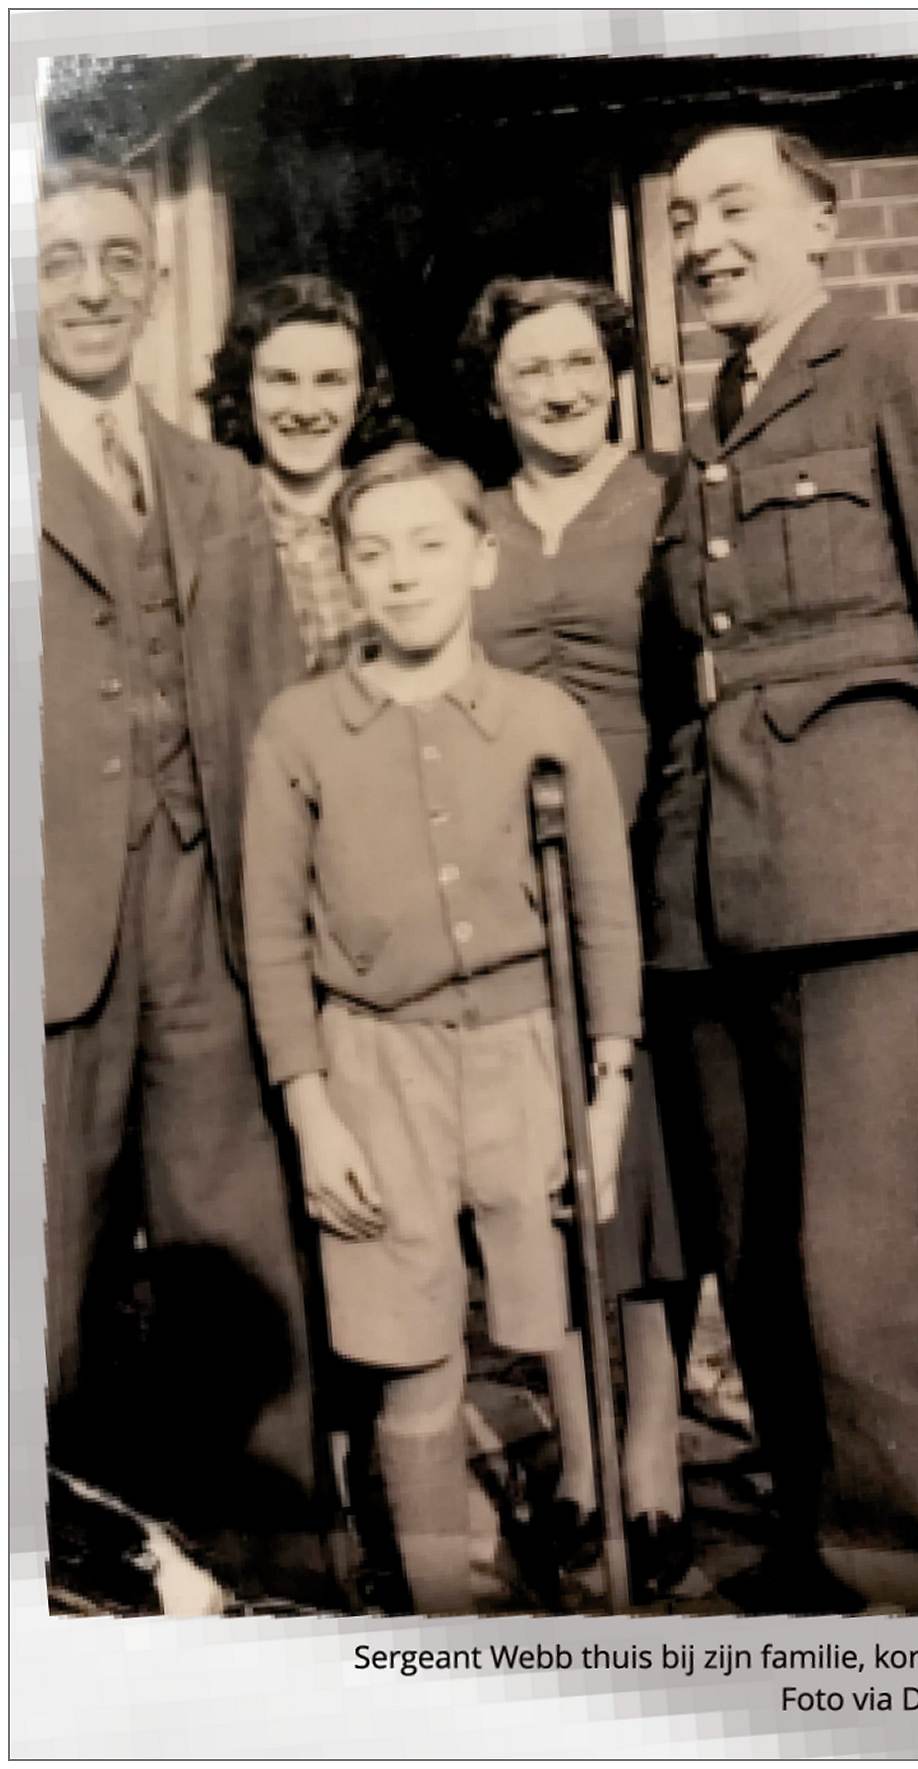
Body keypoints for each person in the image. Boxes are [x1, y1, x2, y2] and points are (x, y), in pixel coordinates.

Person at [642, 123, 918, 1613]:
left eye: (737, 207)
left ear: (819, 216)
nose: (704, 239)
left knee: (860, 1256)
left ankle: (904, 1572)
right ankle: (821, 1533)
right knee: (758, 1255)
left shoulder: (908, 366)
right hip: (718, 890)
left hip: (868, 879)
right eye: (684, 216)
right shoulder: (711, 418)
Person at [241, 441, 641, 1615]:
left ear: (480, 556)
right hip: (373, 1067)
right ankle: (440, 1622)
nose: (402, 574)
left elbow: (606, 920)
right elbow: (271, 939)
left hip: (528, 1055)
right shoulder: (301, 729)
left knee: (555, 1309)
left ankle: (595, 1548)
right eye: (373, 552)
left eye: (428, 545)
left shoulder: (541, 717)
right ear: (346, 573)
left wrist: (605, 1096)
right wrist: (313, 1112)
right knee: (410, 1355)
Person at [36, 157, 323, 1600]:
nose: (91, 286)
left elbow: (274, 706)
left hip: (206, 908)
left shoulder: (213, 477)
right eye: (58, 260)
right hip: (47, 915)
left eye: (116, 260)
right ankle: (50, 1559)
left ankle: (274, 1543)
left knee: (234, 1223)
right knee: (47, 1237)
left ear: (153, 284)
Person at [457, 274, 692, 1601]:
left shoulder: (666, 495)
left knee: (639, 1163)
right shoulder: (469, 516)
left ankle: (654, 1452)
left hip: (648, 851)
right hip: (499, 871)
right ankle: (583, 1453)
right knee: (527, 1151)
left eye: (581, 362)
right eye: (530, 369)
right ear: (493, 391)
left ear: (615, 371)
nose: (559, 387)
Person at [202, 273, 411, 675]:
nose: (305, 408)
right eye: (281, 379)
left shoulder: (398, 516)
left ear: (363, 392)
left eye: (330, 381)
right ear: (246, 389)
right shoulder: (207, 529)